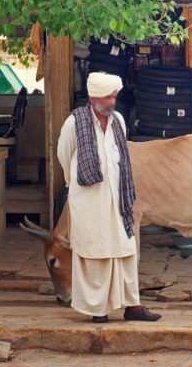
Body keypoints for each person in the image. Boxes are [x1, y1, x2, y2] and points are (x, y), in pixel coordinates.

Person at [57, 72, 161, 323]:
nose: (113, 102)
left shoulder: (119, 121)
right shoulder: (74, 122)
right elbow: (64, 154)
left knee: (124, 249)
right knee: (96, 251)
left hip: (119, 196)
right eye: (108, 97)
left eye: (115, 96)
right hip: (88, 199)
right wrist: (74, 187)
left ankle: (132, 306)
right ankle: (98, 309)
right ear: (93, 97)